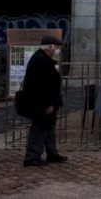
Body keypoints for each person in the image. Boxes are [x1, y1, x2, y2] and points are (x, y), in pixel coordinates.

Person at [21, 35, 67, 167]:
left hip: (47, 102)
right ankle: (32, 157)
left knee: (49, 128)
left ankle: (52, 153)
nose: (57, 49)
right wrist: (48, 104)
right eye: (56, 46)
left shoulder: (43, 58)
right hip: (41, 103)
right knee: (39, 128)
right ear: (50, 47)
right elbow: (41, 86)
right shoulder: (40, 60)